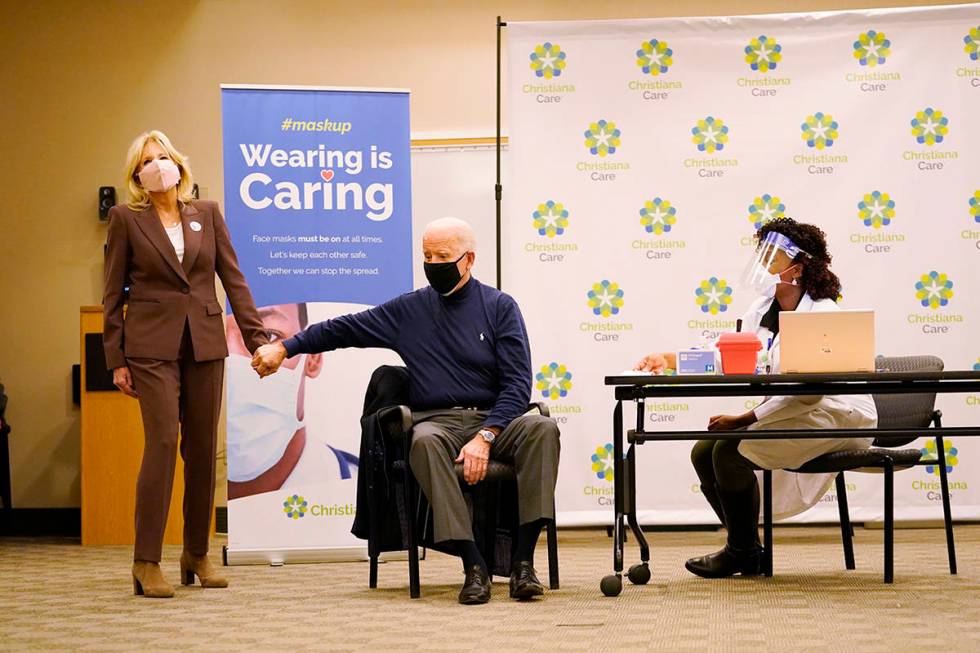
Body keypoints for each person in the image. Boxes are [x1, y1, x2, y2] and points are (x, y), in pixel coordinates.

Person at [251, 217, 561, 605]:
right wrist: (286, 347)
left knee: (543, 430)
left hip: (493, 420)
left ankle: (522, 563)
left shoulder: (499, 307)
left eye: (443, 256)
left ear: (469, 260)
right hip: (439, 422)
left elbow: (517, 385)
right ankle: (474, 565)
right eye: (427, 256)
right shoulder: (409, 310)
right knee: (423, 440)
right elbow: (343, 329)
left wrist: (487, 436)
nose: (433, 264)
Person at [634, 217, 877, 578]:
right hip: (795, 410)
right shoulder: (763, 310)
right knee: (704, 450)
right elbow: (733, 355)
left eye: (773, 257)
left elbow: (807, 394)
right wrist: (671, 360)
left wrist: (746, 419)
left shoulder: (823, 314)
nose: (764, 265)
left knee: (728, 450)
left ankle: (742, 553)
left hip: (840, 415)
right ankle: (745, 547)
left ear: (797, 268)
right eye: (762, 255)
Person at [103, 130, 268, 598]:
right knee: (161, 443)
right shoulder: (126, 218)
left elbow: (232, 279)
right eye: (146, 162)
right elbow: (112, 293)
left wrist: (256, 339)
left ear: (178, 164)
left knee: (201, 450)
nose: (157, 166)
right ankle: (145, 560)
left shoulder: (207, 213)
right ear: (137, 176)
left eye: (162, 158)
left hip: (204, 342)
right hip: (150, 347)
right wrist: (115, 358)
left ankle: (196, 553)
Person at [224, 302, 358, 500]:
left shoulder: (374, 498)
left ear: (313, 356)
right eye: (206, 338)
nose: (232, 363)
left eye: (267, 336)